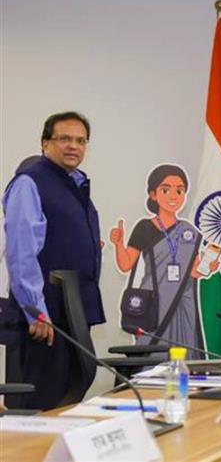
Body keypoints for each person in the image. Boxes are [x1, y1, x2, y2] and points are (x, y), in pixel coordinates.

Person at [1, 112, 104, 410]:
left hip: (73, 314)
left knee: (67, 406)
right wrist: (36, 312)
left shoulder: (76, 184)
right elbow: (22, 253)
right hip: (44, 322)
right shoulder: (30, 182)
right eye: (64, 139)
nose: (73, 146)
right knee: (37, 409)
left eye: (80, 141)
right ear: (45, 143)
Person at [110, 164, 219, 357]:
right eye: (166, 190)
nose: (173, 196)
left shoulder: (188, 231)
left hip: (182, 302)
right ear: (153, 194)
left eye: (179, 191)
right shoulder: (144, 227)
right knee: (151, 355)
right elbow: (126, 264)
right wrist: (118, 244)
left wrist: (207, 268)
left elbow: (193, 272)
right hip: (153, 303)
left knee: (185, 355)